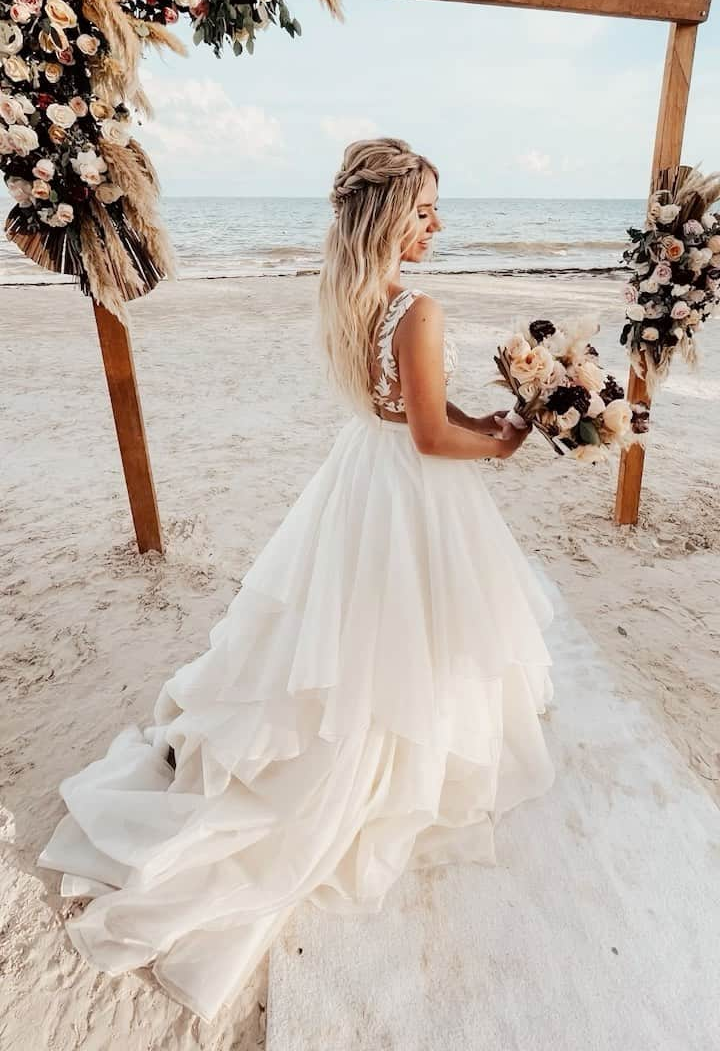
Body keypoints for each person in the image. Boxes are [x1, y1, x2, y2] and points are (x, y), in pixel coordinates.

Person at [37, 137, 556, 1023]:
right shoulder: (419, 309)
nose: (437, 225)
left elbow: (403, 410)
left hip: (365, 476)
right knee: (408, 637)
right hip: (411, 488)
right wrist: (502, 443)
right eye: (424, 211)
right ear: (388, 216)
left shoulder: (353, 295)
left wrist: (488, 417)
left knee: (353, 630)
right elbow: (432, 437)